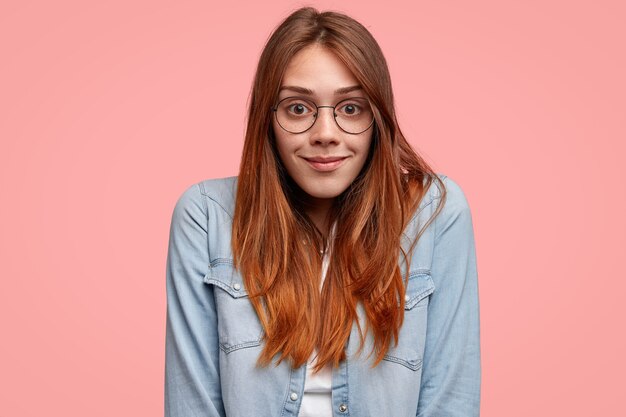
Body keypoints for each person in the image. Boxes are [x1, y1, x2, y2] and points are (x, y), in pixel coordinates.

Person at [164, 7, 480, 417]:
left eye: (351, 108)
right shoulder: (205, 216)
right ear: (268, 119)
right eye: (298, 108)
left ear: (377, 119)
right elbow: (192, 405)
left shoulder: (435, 214)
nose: (325, 134)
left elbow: (450, 402)